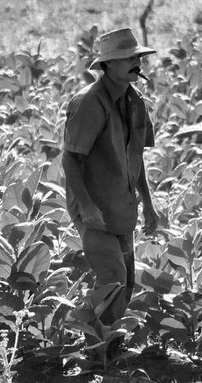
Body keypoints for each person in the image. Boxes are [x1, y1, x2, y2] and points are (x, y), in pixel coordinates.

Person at [62, 27, 159, 360]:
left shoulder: (135, 101)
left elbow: (136, 156)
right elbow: (70, 158)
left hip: (121, 205)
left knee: (127, 284)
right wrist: (86, 206)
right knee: (113, 278)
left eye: (137, 58)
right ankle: (91, 355)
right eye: (128, 58)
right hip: (94, 207)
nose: (136, 63)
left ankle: (108, 351)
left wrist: (149, 204)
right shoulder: (88, 102)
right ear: (108, 65)